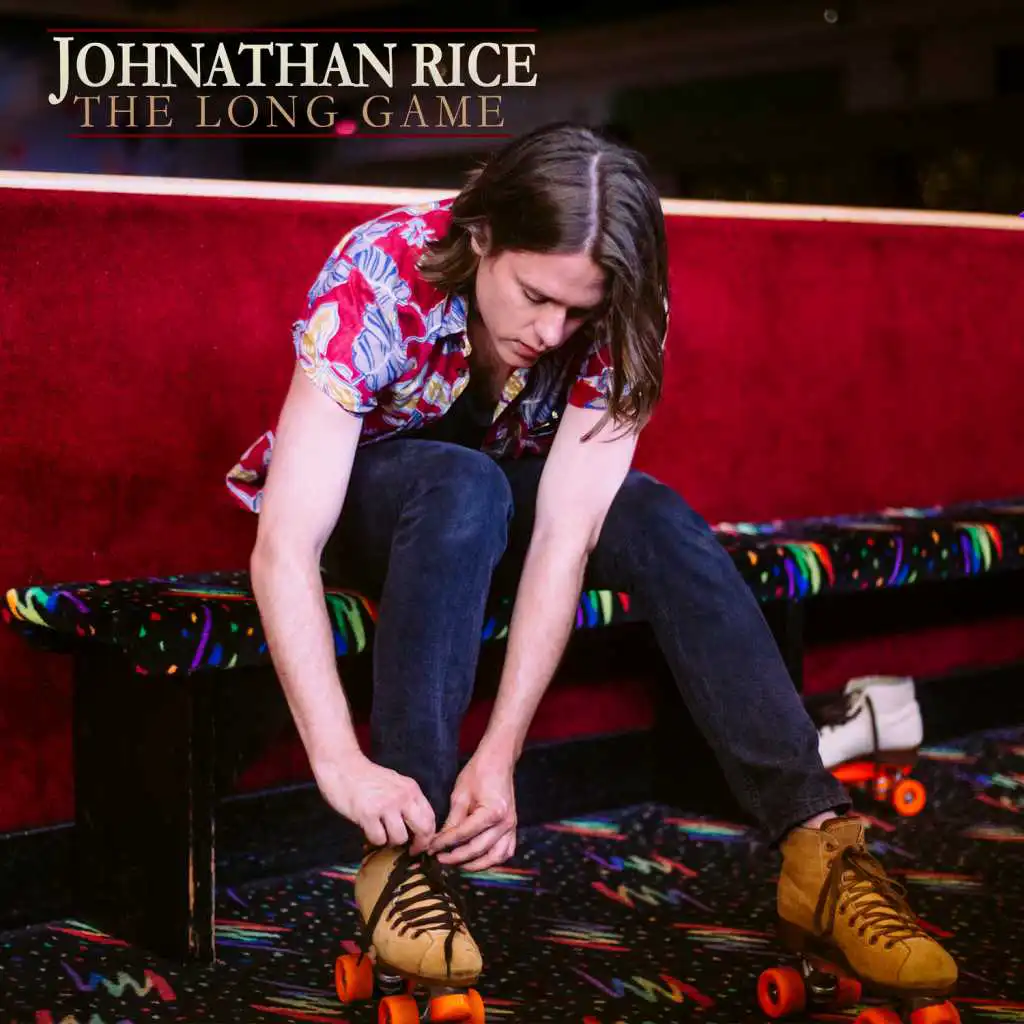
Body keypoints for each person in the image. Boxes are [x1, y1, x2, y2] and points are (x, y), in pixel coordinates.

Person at [227, 123, 957, 1003]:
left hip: (500, 509)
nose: (552, 331)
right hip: (377, 504)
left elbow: (565, 535)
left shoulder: (622, 306)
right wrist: (341, 763)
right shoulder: (380, 272)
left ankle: (819, 845)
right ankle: (404, 857)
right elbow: (287, 545)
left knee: (650, 511)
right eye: (535, 296)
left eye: (577, 311)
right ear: (482, 234)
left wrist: (500, 755)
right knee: (462, 485)